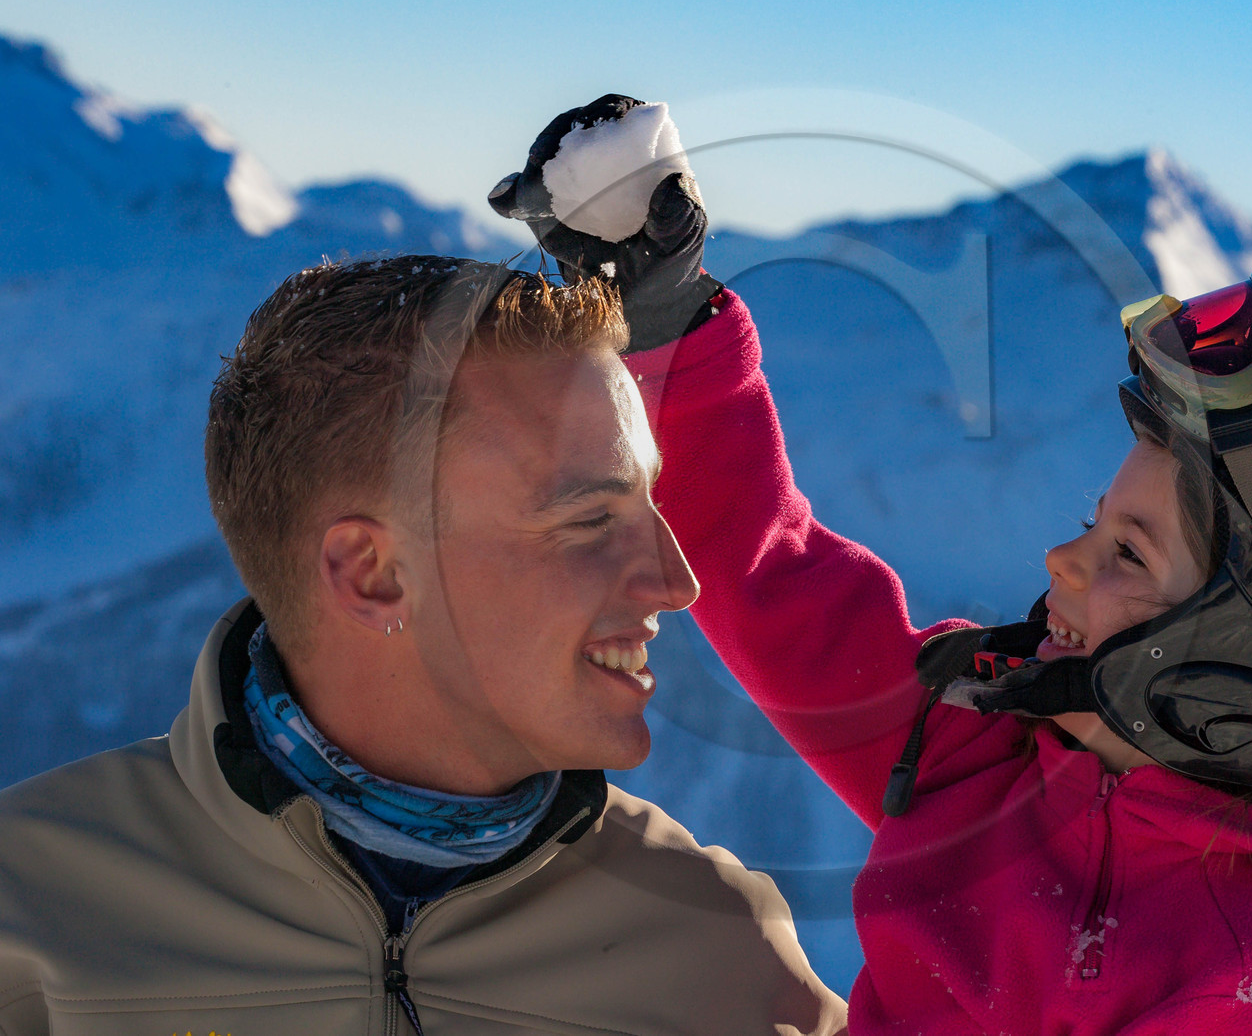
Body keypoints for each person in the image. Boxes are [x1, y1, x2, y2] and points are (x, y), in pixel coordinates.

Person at [492, 97, 1252, 1034]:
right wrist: (663, 306)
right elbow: (773, 574)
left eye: (1125, 552)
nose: (1061, 558)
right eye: (1093, 524)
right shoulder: (972, 749)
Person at [0, 256, 847, 1034]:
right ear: (372, 576)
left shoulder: (714, 948)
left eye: (648, 506)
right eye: (591, 519)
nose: (677, 580)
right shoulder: (31, 909)